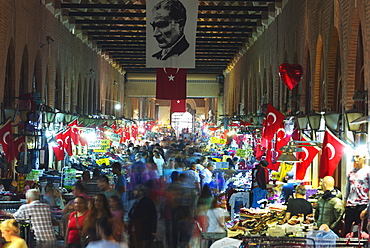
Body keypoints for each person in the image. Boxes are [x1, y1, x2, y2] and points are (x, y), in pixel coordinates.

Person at [345, 150, 370, 236]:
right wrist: (345, 201)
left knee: (362, 231)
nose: (355, 159)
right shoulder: (350, 172)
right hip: (351, 204)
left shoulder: (368, 171)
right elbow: (347, 188)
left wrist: (367, 208)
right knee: (348, 230)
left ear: (364, 157)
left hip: (363, 203)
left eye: (358, 156)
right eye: (354, 157)